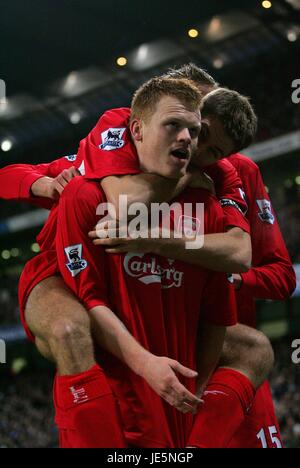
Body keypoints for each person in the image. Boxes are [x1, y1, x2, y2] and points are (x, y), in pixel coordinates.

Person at [0, 71, 270, 447]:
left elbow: (240, 254)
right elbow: (123, 206)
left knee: (254, 348)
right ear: (142, 123)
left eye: (203, 139)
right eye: (190, 124)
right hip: (64, 270)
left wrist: (161, 238)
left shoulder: (218, 174)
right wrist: (43, 184)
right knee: (70, 331)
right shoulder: (114, 129)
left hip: (147, 276)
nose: (192, 143)